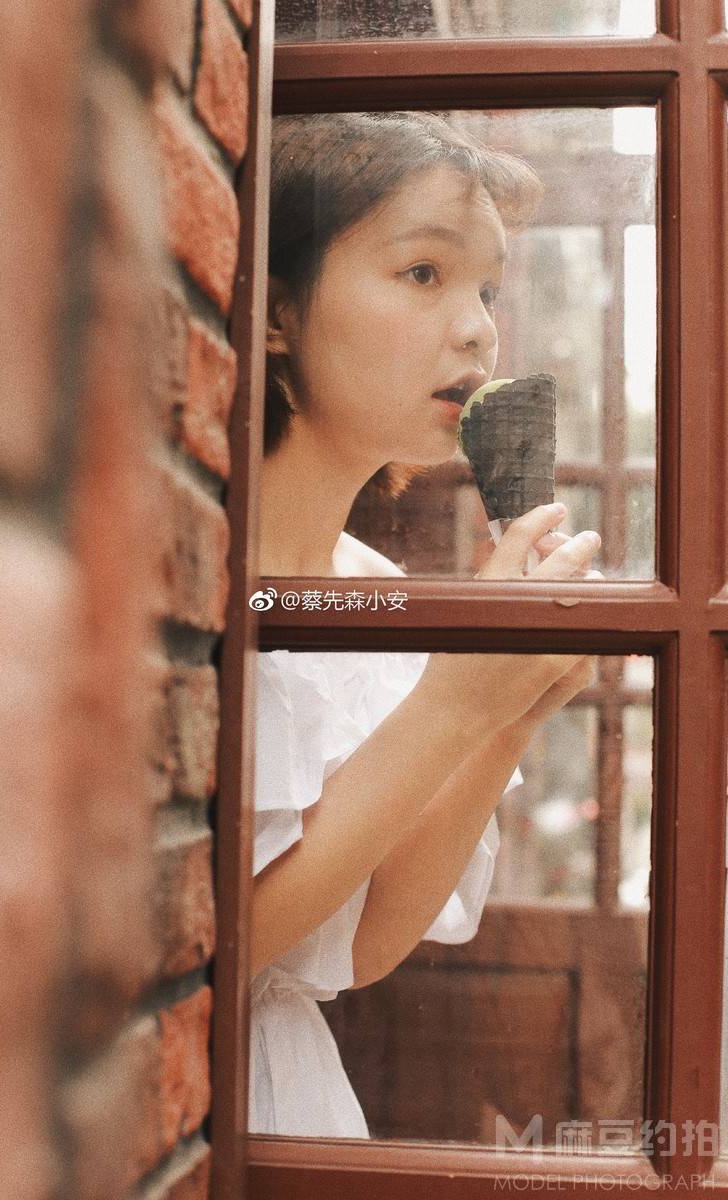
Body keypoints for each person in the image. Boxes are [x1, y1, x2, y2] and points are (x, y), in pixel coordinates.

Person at [250, 112, 601, 1138]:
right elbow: (204, 940)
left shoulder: (376, 586)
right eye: (422, 273)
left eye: (486, 289)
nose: (479, 329)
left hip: (294, 1107)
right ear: (276, 309)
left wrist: (509, 707)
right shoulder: (182, 570)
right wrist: (455, 700)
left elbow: (359, 945)